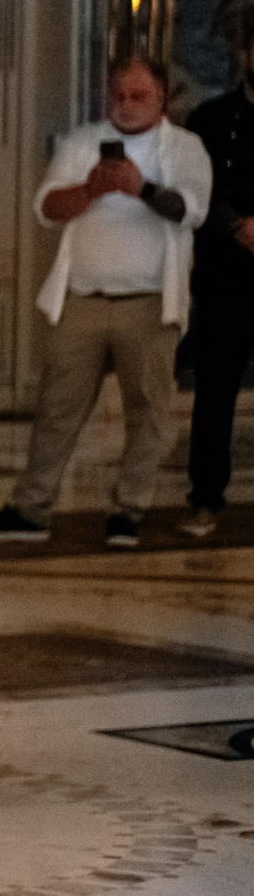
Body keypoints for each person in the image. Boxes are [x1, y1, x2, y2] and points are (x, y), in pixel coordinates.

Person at [0, 56, 211, 550]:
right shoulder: (82, 142)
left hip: (150, 303)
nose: (126, 105)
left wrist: (140, 188)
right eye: (118, 95)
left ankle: (127, 512)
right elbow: (47, 208)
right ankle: (30, 509)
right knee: (56, 408)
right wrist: (89, 189)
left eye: (138, 96)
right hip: (82, 298)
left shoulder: (185, 148)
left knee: (148, 413)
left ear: (161, 99)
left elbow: (191, 210)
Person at [182, 29, 254, 537]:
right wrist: (238, 226)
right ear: (245, 52)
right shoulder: (209, 119)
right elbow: (193, 192)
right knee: (215, 394)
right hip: (225, 279)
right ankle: (205, 498)